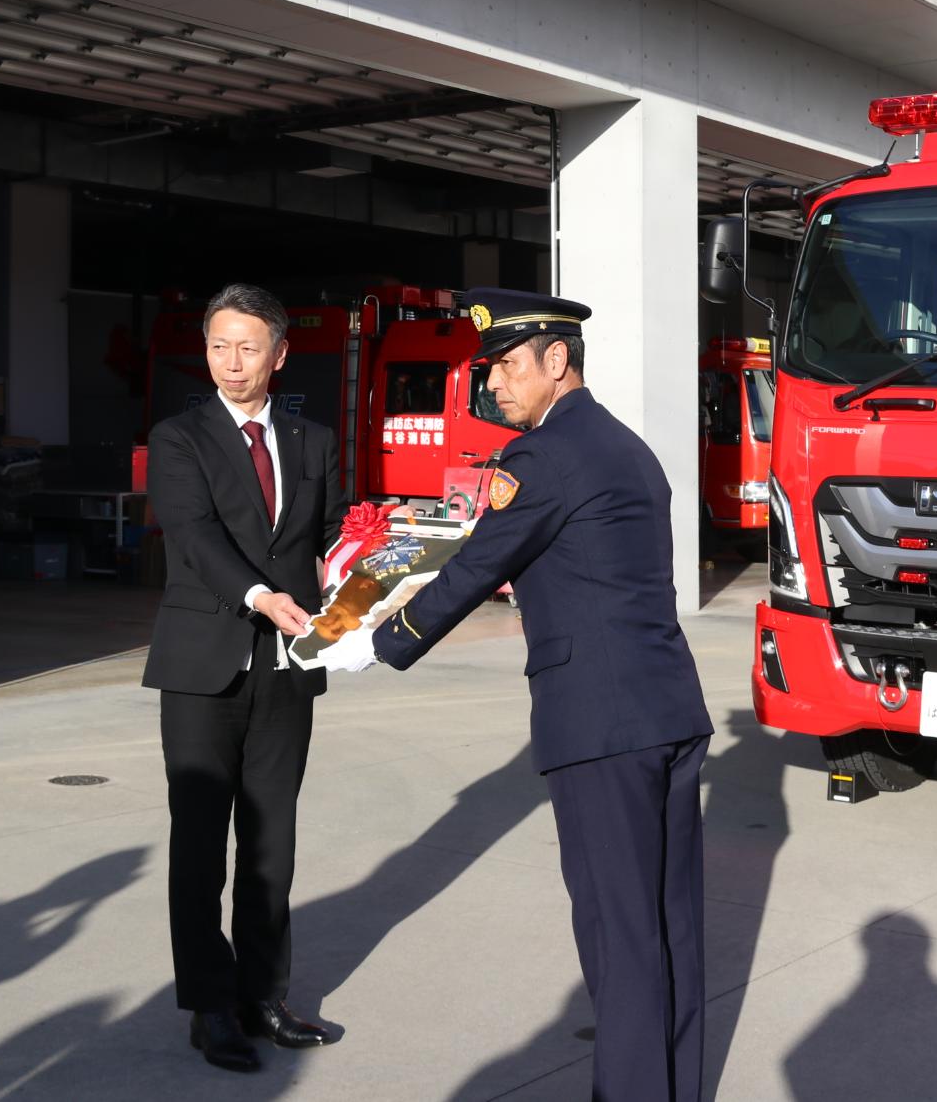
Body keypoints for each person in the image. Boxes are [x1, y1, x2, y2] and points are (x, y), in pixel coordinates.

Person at [333, 288, 716, 1102]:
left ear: (555, 359)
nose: (492, 384)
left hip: (601, 723)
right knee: (670, 928)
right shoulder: (626, 446)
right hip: (667, 709)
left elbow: (474, 563)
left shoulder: (544, 456)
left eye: (505, 365)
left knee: (619, 940)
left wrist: (375, 638)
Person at [143, 284, 343, 1072]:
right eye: (220, 345)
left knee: (272, 840)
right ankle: (209, 1005)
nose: (233, 362)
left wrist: (375, 571)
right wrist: (261, 595)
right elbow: (191, 535)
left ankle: (265, 995)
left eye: (248, 346)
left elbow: (331, 535)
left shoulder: (313, 439)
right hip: (202, 667)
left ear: (280, 354)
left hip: (288, 668)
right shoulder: (179, 436)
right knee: (201, 846)